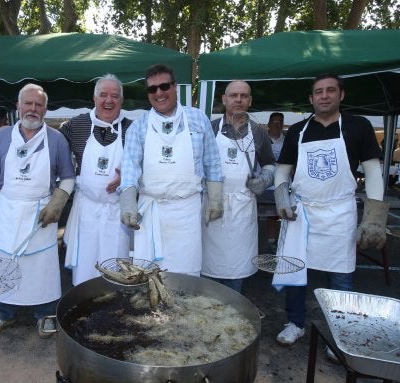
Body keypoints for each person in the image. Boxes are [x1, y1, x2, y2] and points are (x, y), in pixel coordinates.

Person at [272, 73, 389, 345]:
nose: (324, 96)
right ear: (311, 98)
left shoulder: (358, 126)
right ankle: (295, 322)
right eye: (318, 92)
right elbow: (282, 171)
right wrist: (282, 198)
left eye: (330, 91)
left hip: (340, 213)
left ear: (341, 95)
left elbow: (373, 171)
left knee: (340, 276)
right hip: (302, 213)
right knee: (295, 271)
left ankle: (341, 333)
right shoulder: (298, 131)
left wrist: (374, 217)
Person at [0, 84, 75, 336]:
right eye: (28, 103)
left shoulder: (56, 139)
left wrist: (56, 204)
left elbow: (67, 178)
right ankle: (3, 314)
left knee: (41, 268)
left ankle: (45, 314)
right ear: (17, 106)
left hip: (41, 216)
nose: (33, 109)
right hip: (10, 214)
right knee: (7, 265)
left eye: (39, 104)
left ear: (45, 109)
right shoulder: (1, 137)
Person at [119, 64, 223, 276]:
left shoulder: (198, 118)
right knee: (149, 277)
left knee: (186, 277)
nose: (159, 93)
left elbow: (212, 162)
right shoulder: (138, 126)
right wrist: (128, 203)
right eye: (152, 89)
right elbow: (129, 168)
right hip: (150, 212)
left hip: (187, 211)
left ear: (175, 87)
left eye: (164, 86)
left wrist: (215, 198)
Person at [201, 81, 275, 292]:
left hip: (242, 208)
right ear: (224, 100)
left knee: (236, 275)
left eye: (244, 96)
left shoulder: (259, 133)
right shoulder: (209, 128)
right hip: (212, 207)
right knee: (209, 276)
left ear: (250, 101)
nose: (238, 99)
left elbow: (269, 163)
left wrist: (265, 178)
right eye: (233, 95)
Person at [61, 74, 132, 286]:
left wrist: (127, 175)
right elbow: (55, 153)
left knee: (118, 269)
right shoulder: (75, 126)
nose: (108, 100)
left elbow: (146, 164)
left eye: (114, 96)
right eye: (103, 95)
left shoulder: (133, 128)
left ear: (121, 100)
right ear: (94, 98)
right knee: (85, 268)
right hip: (87, 210)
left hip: (117, 212)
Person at [265, 112, 286, 253]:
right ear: (268, 124)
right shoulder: (261, 139)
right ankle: (269, 242)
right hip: (264, 186)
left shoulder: (287, 140)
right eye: (274, 122)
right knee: (266, 215)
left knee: (284, 215)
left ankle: (283, 243)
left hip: (282, 185)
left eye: (280, 122)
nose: (277, 125)